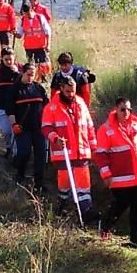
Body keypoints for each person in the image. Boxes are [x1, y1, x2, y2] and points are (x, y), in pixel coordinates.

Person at [95, 97, 137, 249]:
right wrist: (106, 173)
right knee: (122, 203)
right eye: (123, 109)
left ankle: (136, 238)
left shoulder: (135, 126)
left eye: (129, 109)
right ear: (116, 109)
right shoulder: (106, 129)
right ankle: (105, 226)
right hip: (119, 177)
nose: (126, 112)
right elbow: (100, 154)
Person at [42, 73, 97, 220]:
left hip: (81, 152)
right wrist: (56, 139)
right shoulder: (51, 107)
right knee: (64, 185)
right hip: (63, 153)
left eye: (73, 91)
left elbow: (89, 126)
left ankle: (86, 213)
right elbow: (46, 128)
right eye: (68, 91)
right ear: (61, 88)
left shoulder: (80, 103)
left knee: (84, 185)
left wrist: (94, 147)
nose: (71, 94)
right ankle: (61, 209)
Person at [8, 63, 49, 193]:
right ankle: (20, 174)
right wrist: (14, 124)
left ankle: (39, 182)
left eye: (33, 75)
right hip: (23, 129)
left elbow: (47, 107)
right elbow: (10, 110)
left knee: (41, 155)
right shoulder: (14, 90)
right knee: (24, 153)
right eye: (29, 75)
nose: (31, 77)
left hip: (39, 129)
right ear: (23, 73)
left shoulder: (38, 88)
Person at [16, 4, 52, 80]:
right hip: (29, 47)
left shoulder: (40, 17)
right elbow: (20, 34)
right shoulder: (23, 20)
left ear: (31, 10)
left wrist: (48, 44)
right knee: (32, 65)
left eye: (28, 13)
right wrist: (14, 33)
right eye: (25, 14)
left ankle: (45, 78)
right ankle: (35, 79)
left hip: (41, 46)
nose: (27, 15)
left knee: (44, 64)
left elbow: (47, 32)